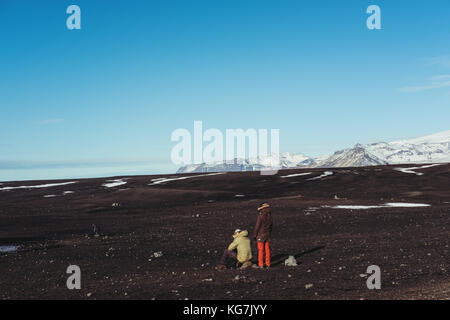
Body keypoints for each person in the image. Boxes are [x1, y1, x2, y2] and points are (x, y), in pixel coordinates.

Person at [253, 203, 273, 268]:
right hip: (267, 235)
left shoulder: (261, 216)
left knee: (260, 250)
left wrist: (255, 235)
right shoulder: (270, 215)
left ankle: (261, 264)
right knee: (267, 250)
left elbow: (257, 226)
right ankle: (268, 264)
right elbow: (271, 226)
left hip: (260, 235)